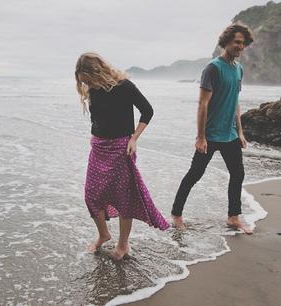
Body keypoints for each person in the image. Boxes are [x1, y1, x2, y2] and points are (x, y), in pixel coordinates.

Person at [75, 52, 170, 260]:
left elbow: (147, 111)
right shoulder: (94, 89)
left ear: (97, 72)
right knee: (91, 195)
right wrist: (94, 135)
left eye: (88, 79)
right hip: (99, 148)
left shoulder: (124, 86)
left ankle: (123, 244)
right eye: (84, 81)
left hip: (120, 148)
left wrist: (134, 138)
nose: (87, 84)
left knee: (123, 198)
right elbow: (98, 118)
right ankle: (104, 235)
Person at [171, 24, 254, 234]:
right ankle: (176, 213)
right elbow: (202, 104)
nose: (240, 46)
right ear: (226, 41)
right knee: (195, 174)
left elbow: (235, 101)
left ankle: (233, 217)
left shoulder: (238, 68)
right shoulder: (213, 68)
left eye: (243, 43)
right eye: (237, 42)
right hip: (211, 135)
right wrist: (201, 137)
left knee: (238, 174)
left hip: (230, 135)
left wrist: (241, 132)